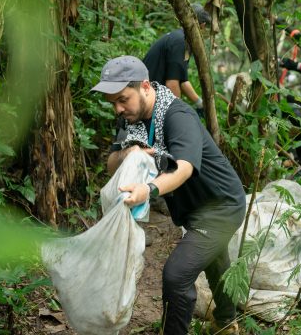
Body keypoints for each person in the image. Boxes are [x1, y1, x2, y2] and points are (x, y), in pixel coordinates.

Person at [91, 55, 245, 335]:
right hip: (194, 207)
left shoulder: (177, 115)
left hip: (220, 206)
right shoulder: (132, 118)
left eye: (123, 99)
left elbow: (184, 168)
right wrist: (130, 151)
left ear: (145, 86)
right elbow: (112, 163)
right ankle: (227, 323)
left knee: (176, 275)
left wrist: (148, 189)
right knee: (215, 261)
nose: (118, 108)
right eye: (113, 102)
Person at [142, 3, 211, 117]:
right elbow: (172, 83)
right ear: (202, 25)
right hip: (147, 98)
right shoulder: (181, 42)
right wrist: (178, 114)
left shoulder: (181, 38)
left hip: (150, 94)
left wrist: (199, 103)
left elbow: (181, 81)